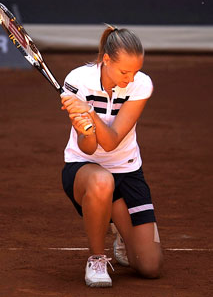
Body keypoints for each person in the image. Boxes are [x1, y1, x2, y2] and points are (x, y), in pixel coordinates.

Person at [61, 25, 163, 287]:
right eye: (124, 71)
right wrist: (86, 128)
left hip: (127, 170)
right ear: (106, 60)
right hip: (86, 169)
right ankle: (96, 258)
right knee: (102, 181)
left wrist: (91, 113)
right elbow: (88, 147)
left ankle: (120, 229)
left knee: (149, 266)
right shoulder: (77, 81)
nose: (130, 78)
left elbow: (113, 141)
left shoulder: (141, 84)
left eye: (136, 71)